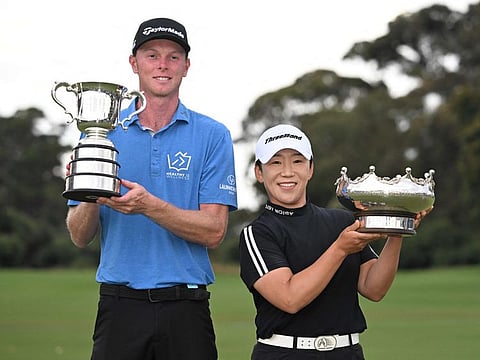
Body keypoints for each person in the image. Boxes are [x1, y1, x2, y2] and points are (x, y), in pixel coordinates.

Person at [65, 18, 237, 360]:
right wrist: (88, 193)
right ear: (134, 63)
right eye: (151, 55)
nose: (162, 65)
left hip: (186, 306)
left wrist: (149, 206)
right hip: (119, 306)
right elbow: (80, 236)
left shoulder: (213, 135)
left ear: (186, 66)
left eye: (173, 57)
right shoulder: (100, 134)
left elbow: (214, 231)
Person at [238, 124, 431, 359]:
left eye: (298, 161)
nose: (287, 172)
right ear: (259, 173)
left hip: (346, 352)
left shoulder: (340, 221)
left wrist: (397, 231)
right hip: (285, 352)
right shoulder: (258, 233)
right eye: (275, 162)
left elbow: (374, 288)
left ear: (310, 169)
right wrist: (340, 248)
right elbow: (290, 298)